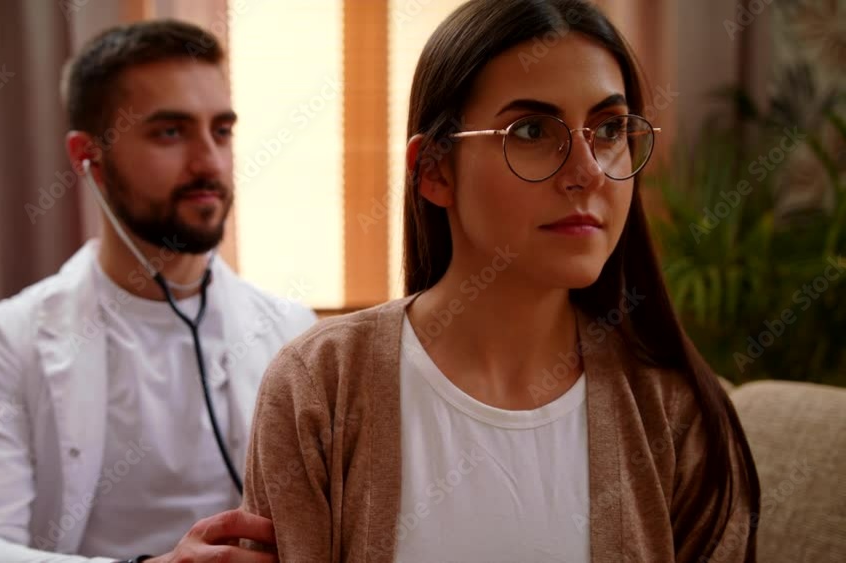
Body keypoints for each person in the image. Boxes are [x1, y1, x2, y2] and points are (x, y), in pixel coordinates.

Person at [241, 0, 760, 561]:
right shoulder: (320, 387)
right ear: (434, 170)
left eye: (610, 129)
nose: (588, 172)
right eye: (533, 130)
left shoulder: (679, 414)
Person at [0, 20, 314, 563]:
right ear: (88, 157)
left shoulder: (294, 333)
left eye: (221, 131)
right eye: (170, 132)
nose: (209, 162)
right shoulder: (3, 341)